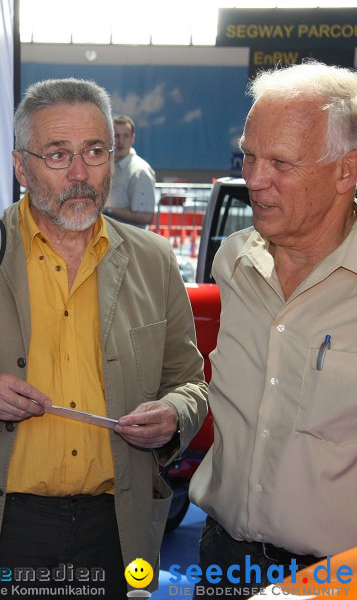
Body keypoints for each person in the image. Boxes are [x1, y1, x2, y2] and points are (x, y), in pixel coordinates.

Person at [0, 78, 208, 600]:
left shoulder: (154, 261)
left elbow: (190, 383)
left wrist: (174, 415)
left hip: (117, 530)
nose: (80, 174)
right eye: (58, 154)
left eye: (94, 152)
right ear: (20, 165)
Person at [189, 61, 357, 599]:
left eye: (281, 162)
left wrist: (321, 588)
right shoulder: (233, 263)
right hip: (221, 562)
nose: (255, 179)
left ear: (345, 172)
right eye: (250, 155)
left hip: (335, 580)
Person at [104, 115, 156, 228]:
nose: (120, 141)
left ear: (133, 138)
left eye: (126, 136)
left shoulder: (140, 171)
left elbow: (146, 216)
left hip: (131, 241)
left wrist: (108, 211)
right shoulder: (106, 165)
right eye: (116, 136)